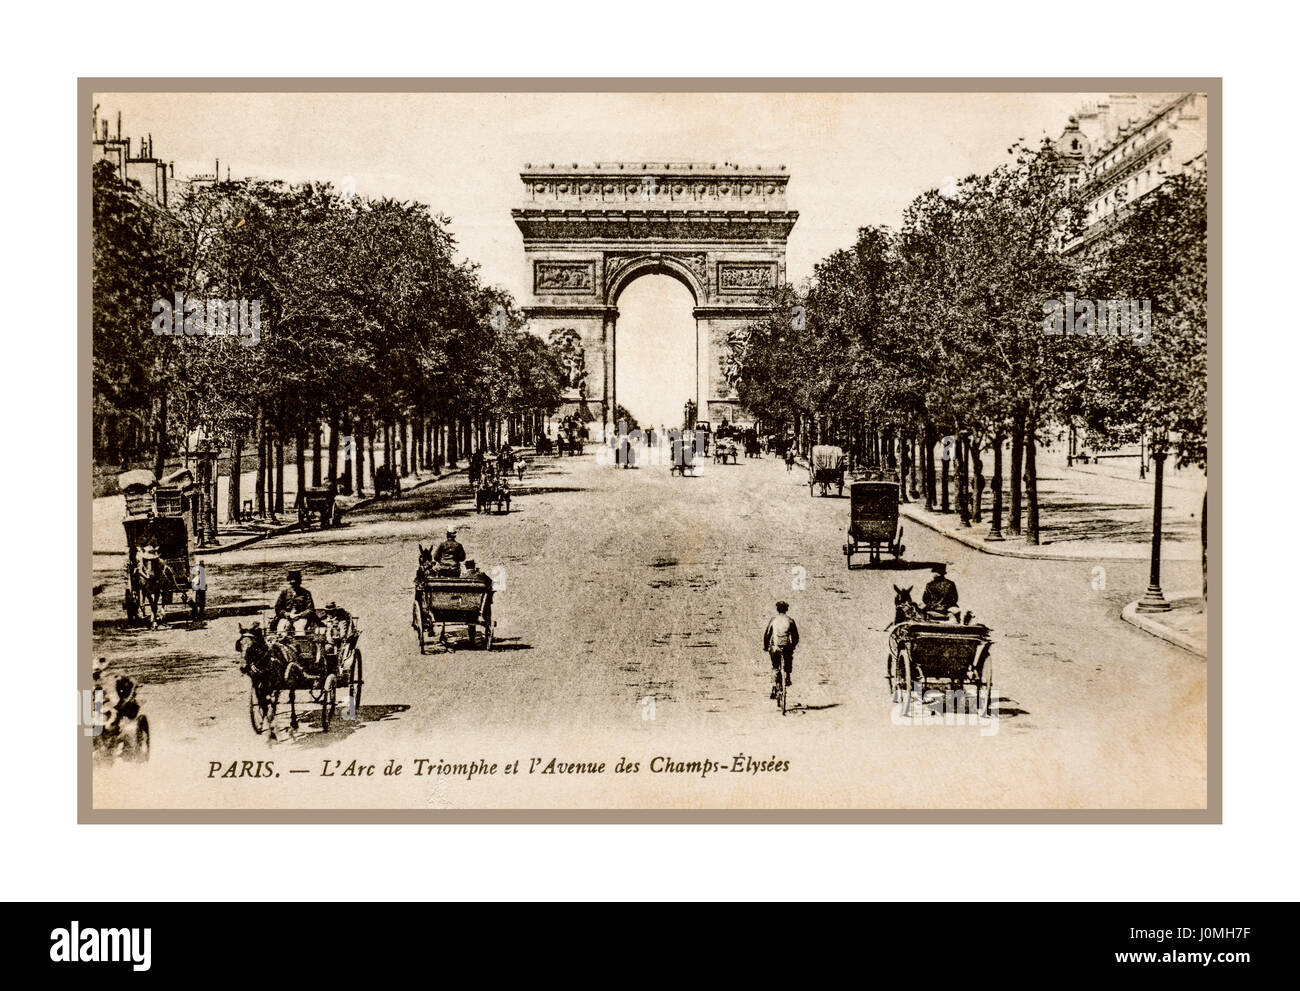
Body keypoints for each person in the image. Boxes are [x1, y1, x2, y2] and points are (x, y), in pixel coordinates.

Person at [762, 601, 800, 698]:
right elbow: (795, 636)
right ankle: (787, 676)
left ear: (777, 609)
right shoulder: (790, 620)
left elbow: (767, 635)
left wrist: (766, 647)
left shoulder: (773, 620)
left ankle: (774, 686)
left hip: (775, 648)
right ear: (786, 610)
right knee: (788, 660)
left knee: (775, 666)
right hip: (786, 647)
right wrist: (793, 646)